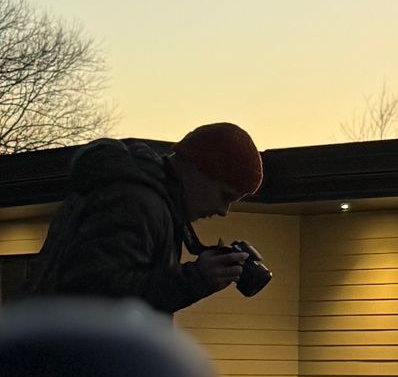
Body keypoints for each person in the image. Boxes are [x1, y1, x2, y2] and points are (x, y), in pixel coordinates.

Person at [21, 123, 265, 316]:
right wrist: (194, 279)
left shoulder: (143, 197)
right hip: (77, 367)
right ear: (199, 169)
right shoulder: (136, 202)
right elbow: (95, 297)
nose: (223, 210)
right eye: (225, 195)